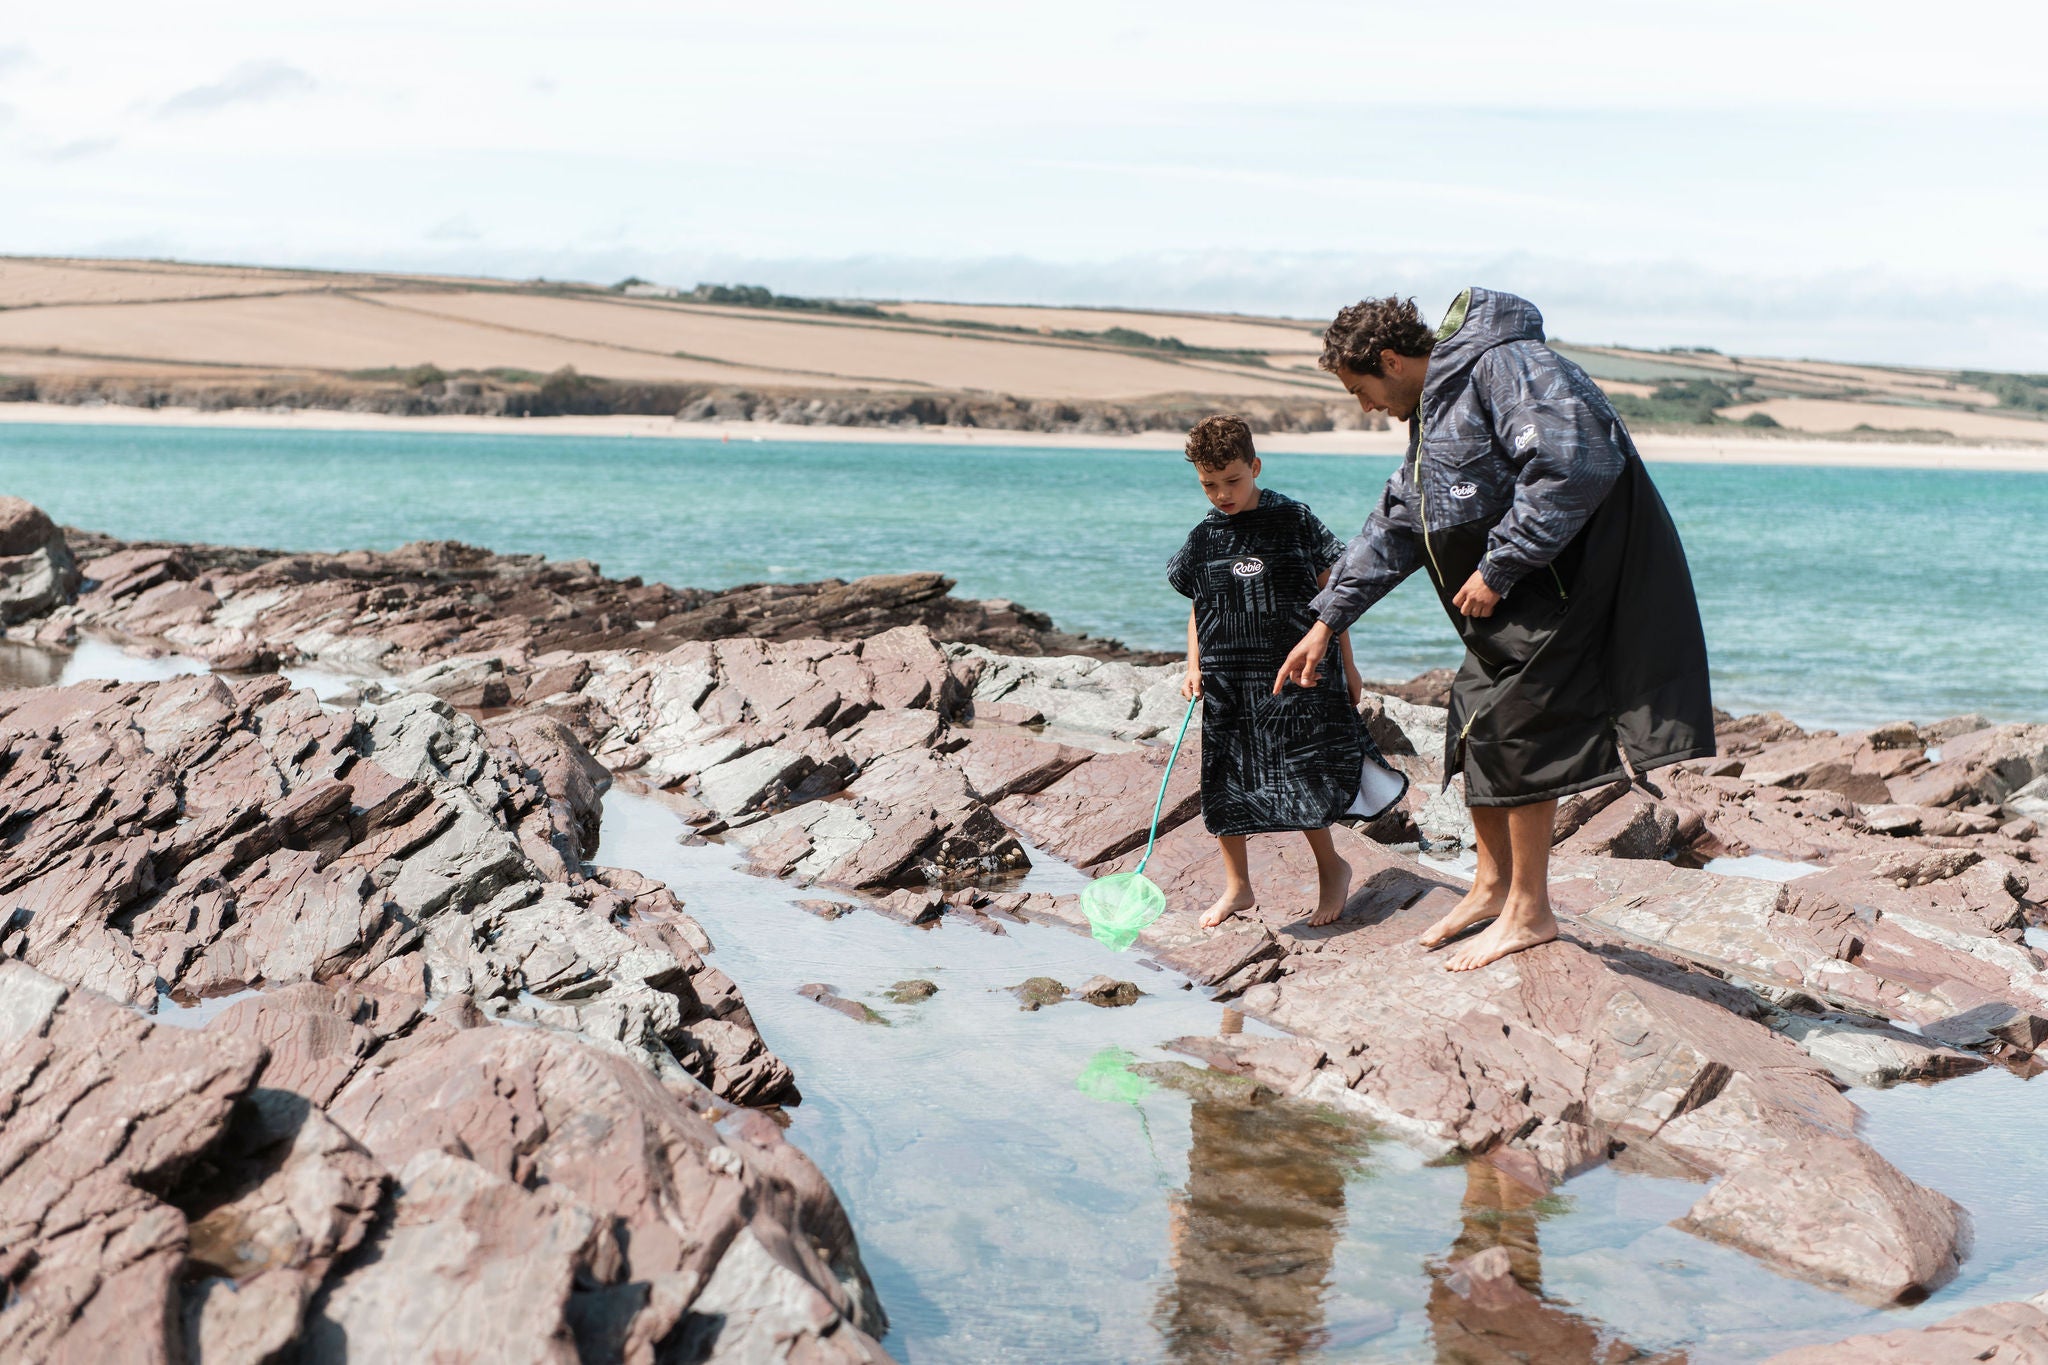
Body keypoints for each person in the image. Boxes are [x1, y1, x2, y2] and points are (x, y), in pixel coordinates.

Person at [1275, 290, 1714, 971]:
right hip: (1518, 599)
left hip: (1565, 587)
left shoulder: (1505, 365)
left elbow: (1574, 461)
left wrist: (1500, 564)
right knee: (1471, 720)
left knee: (1513, 729)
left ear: (1391, 360)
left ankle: (1531, 913)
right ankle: (1491, 885)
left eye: (1362, 389)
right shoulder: (1435, 411)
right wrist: (1326, 621)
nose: (1365, 406)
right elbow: (1396, 526)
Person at [1168, 415, 1405, 930]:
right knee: (1223, 781)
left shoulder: (1293, 519)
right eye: (1209, 484)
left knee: (1300, 775)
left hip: (1292, 674)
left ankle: (1333, 869)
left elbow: (1335, 593)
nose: (1222, 494)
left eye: (1232, 480)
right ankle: (1238, 888)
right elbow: (1197, 604)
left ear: (1254, 466)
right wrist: (1193, 665)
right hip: (1229, 678)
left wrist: (1347, 662)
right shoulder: (1205, 536)